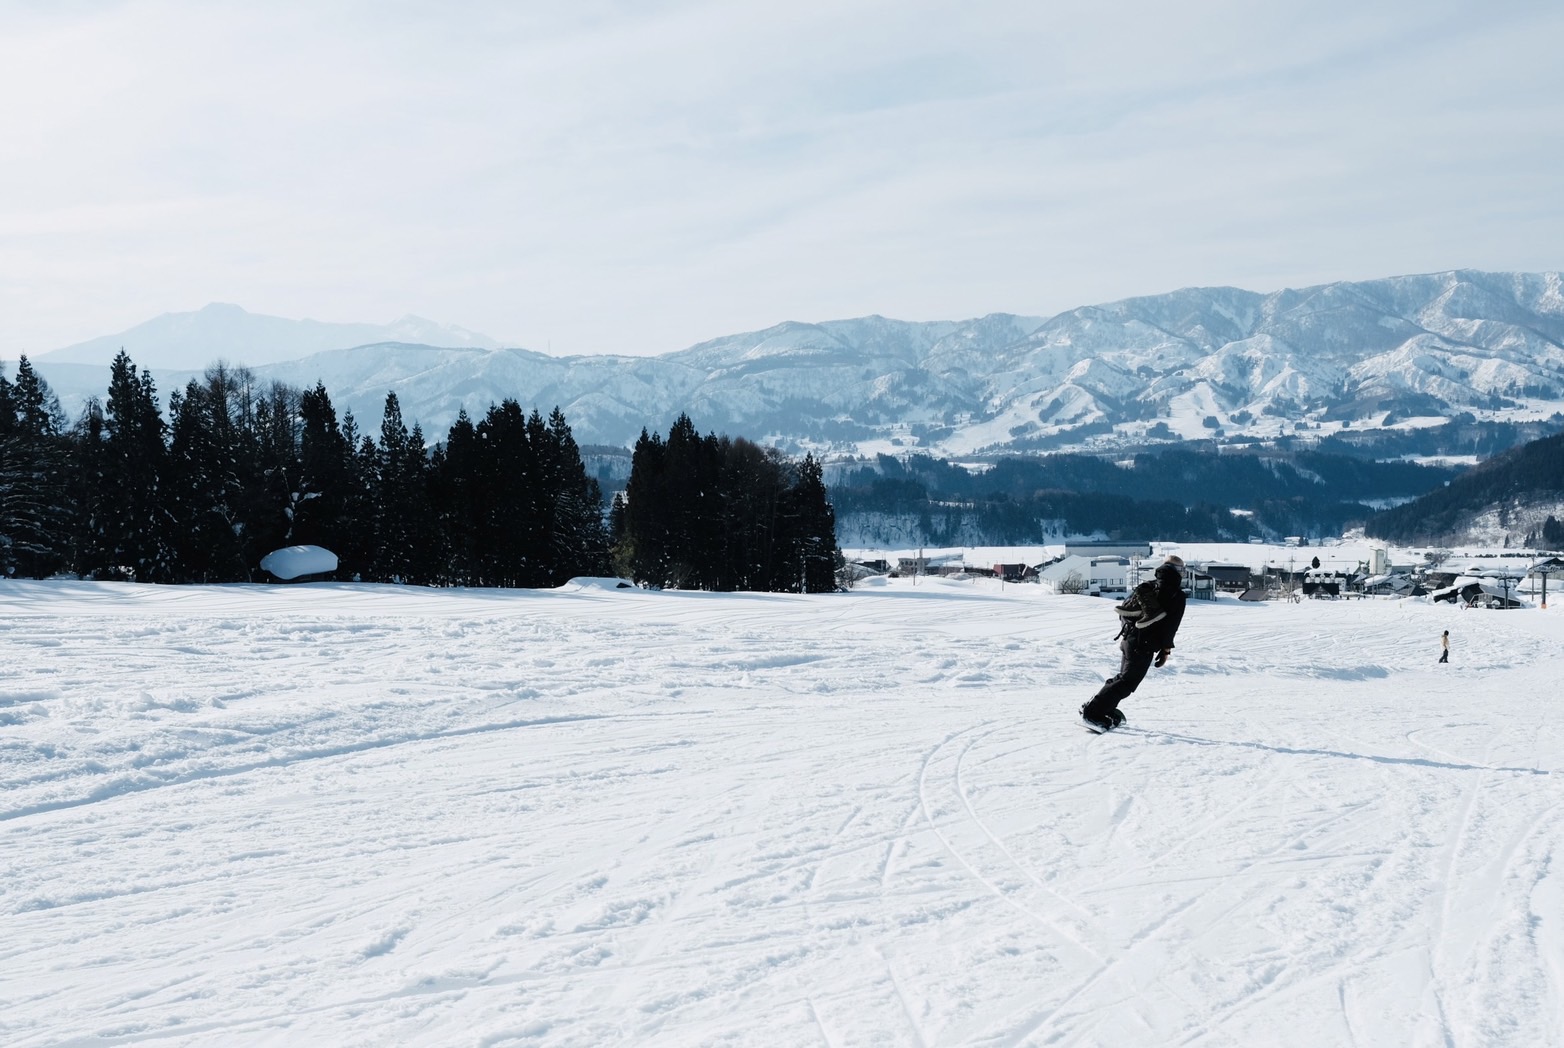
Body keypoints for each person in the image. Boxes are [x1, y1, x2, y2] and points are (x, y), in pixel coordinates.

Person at [1081, 554, 1188, 730]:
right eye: (1182, 570)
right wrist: (1165, 650)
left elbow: (1125, 610)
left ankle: (1102, 707)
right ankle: (1093, 712)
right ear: (1177, 572)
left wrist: (1131, 633)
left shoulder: (1146, 587)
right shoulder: (1176, 595)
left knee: (1123, 678)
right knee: (1127, 682)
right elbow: (1171, 627)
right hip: (1143, 645)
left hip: (1129, 639)